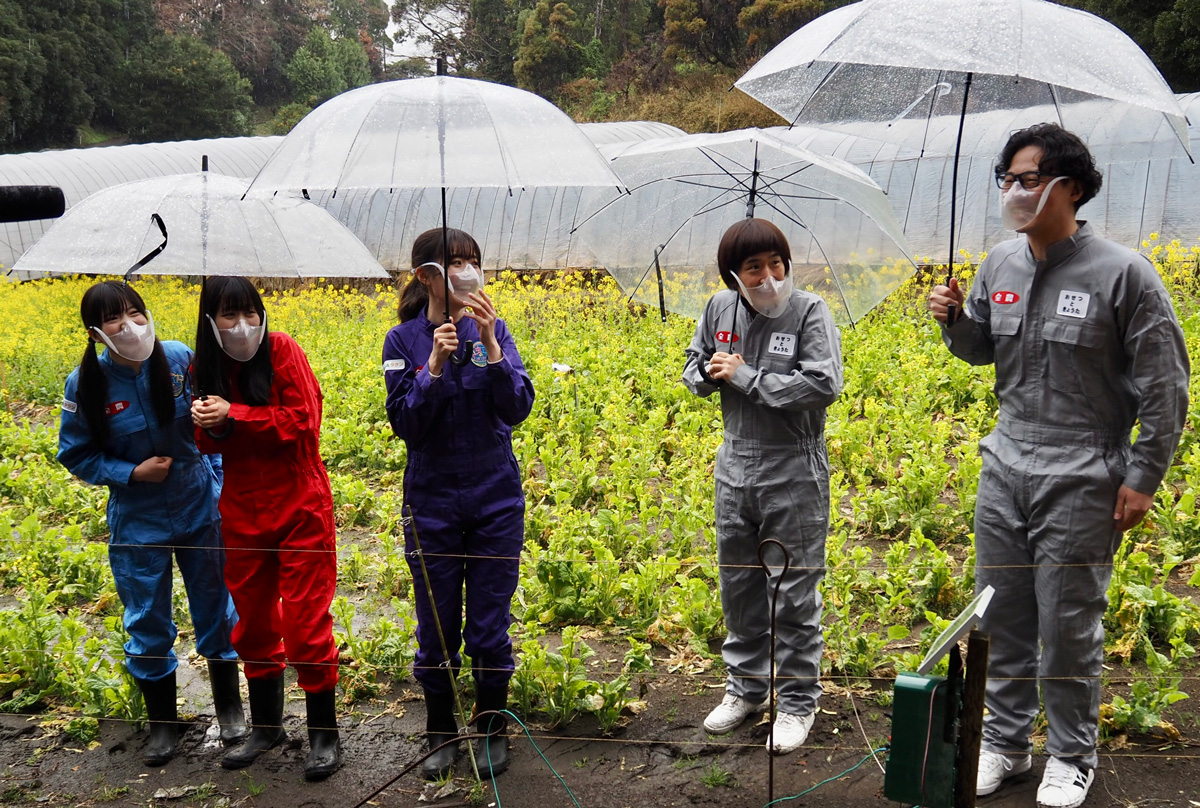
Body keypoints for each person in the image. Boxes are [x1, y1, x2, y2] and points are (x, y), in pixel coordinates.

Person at [929, 123, 1189, 808]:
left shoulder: (1124, 274)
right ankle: (1006, 744)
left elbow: (1166, 387)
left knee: (1069, 624)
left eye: (1029, 178)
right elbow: (982, 351)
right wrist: (954, 320)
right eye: (1008, 178)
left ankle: (1071, 755)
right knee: (1001, 617)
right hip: (1005, 466)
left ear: (1071, 186)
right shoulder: (998, 265)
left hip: (1083, 473)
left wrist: (1142, 477)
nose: (1015, 191)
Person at [57, 281, 247, 767]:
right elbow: (75, 453)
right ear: (97, 332)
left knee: (216, 604)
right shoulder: (86, 385)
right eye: (116, 319)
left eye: (136, 312)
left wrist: (215, 468)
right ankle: (164, 722)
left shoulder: (181, 358)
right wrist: (130, 472)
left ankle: (230, 709)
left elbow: (217, 425)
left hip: (197, 502)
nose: (130, 325)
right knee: (146, 616)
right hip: (137, 514)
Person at [681, 218, 843, 755]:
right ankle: (745, 689)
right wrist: (707, 373)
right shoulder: (718, 309)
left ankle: (798, 700)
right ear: (734, 274)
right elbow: (693, 364)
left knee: (793, 589)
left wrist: (748, 376)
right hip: (735, 464)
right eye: (754, 267)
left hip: (793, 467)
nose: (769, 276)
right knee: (740, 585)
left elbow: (824, 383)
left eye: (777, 264)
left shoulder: (809, 311)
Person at [382, 227, 535, 779]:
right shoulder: (402, 342)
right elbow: (406, 426)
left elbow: (516, 407)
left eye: (474, 259)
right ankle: (440, 725)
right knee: (437, 623)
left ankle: (492, 722)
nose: (469, 270)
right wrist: (434, 369)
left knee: (489, 625)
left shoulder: (497, 329)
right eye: (456, 262)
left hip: (496, 496)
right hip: (432, 500)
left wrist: (492, 348)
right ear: (427, 276)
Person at [190, 277, 342, 781]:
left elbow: (305, 419)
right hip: (242, 506)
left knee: (304, 620)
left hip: (300, 501)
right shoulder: (204, 365)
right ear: (210, 322)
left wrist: (238, 414)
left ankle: (324, 733)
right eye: (229, 316)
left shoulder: (282, 350)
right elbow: (206, 443)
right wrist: (211, 423)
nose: (242, 325)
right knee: (252, 620)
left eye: (250, 312)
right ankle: (267, 726)